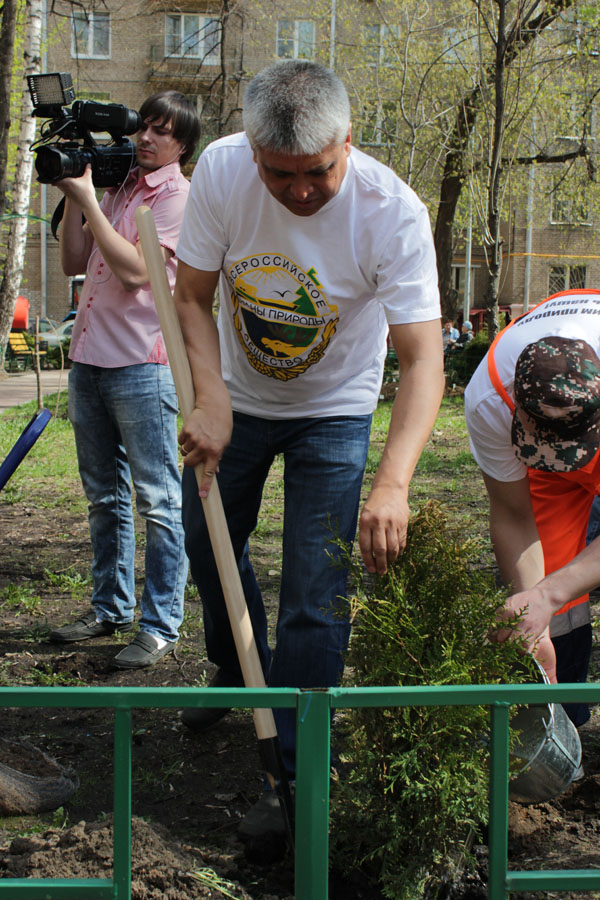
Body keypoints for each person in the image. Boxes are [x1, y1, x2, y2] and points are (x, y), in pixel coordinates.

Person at [173, 59, 444, 842]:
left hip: (335, 411)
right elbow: (191, 296)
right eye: (279, 173)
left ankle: (294, 773)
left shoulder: (389, 210)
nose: (297, 191)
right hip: (236, 404)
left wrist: (392, 483)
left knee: (315, 592)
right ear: (252, 151)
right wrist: (213, 396)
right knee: (206, 542)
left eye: (316, 173)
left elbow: (422, 359)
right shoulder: (222, 170)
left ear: (347, 143)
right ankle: (237, 665)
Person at [49, 91, 201, 669]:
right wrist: (75, 199)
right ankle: (109, 607)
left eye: (160, 132)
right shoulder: (117, 188)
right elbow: (72, 262)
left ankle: (160, 622)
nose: (145, 139)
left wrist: (89, 198)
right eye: (143, 128)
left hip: (142, 365)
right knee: (103, 497)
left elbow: (137, 272)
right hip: (89, 360)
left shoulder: (179, 198)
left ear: (181, 144)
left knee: (159, 500)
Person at [464, 288, 600, 727]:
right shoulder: (491, 397)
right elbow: (513, 514)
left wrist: (548, 592)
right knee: (546, 586)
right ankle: (564, 718)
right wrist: (536, 606)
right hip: (541, 473)